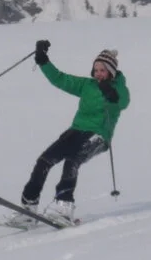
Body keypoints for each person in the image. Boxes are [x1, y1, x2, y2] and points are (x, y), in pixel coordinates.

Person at [15, 39, 130, 227]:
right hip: (76, 131)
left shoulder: (119, 88)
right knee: (44, 160)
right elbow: (60, 79)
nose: (99, 74)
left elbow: (123, 102)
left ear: (111, 72)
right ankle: (28, 208)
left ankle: (64, 207)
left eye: (103, 70)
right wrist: (43, 61)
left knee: (72, 161)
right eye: (96, 70)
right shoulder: (87, 85)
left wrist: (112, 93)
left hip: (99, 135)